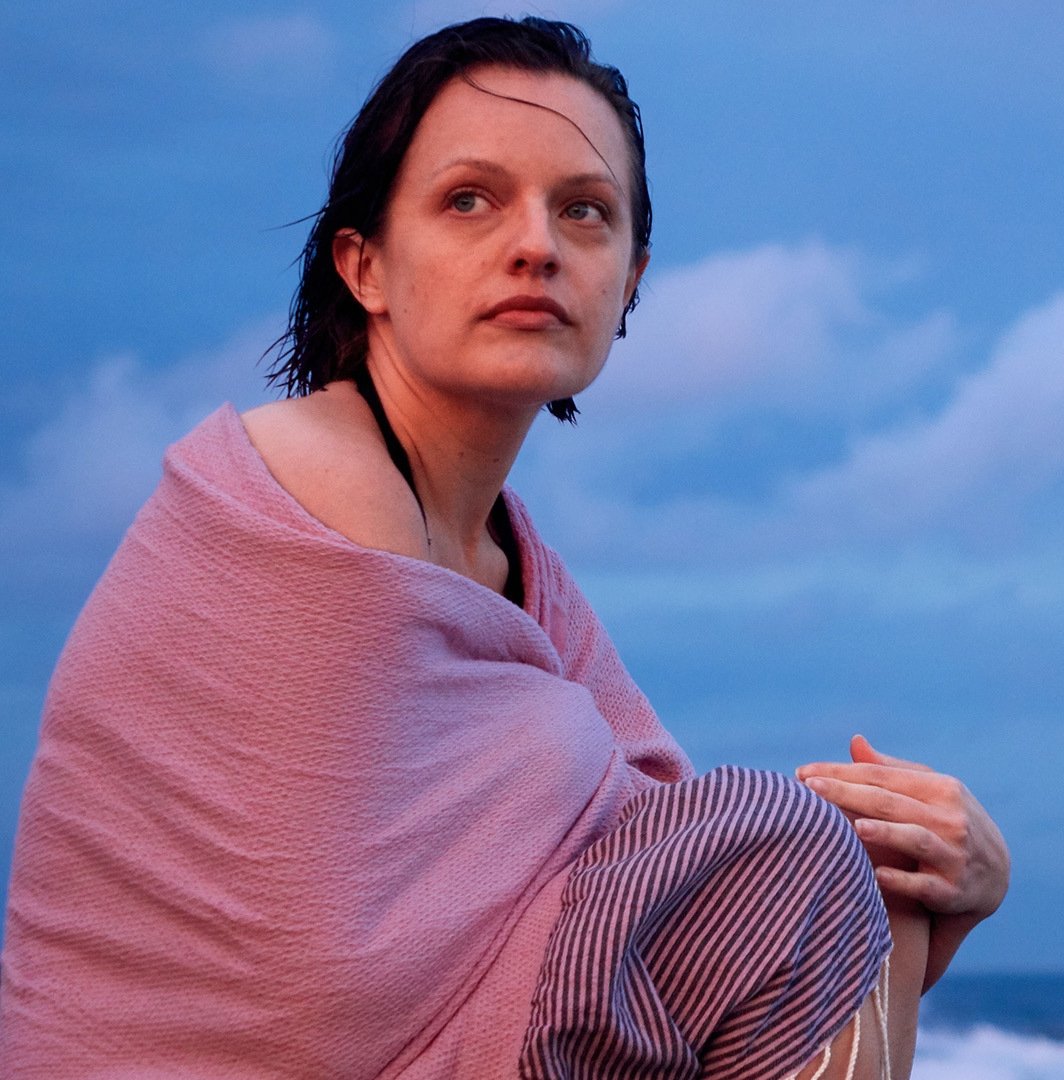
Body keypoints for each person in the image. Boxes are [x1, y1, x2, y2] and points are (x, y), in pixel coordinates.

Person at [0, 16, 1007, 1078]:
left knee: (838, 856)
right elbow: (315, 987)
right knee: (794, 843)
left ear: (630, 280)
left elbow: (712, 926)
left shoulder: (515, 562)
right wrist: (808, 853)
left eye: (584, 211)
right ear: (364, 266)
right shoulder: (315, 481)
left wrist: (943, 881)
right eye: (469, 200)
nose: (536, 245)